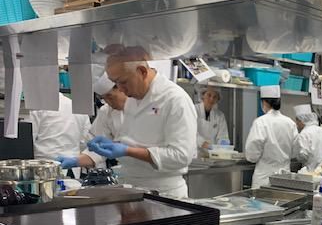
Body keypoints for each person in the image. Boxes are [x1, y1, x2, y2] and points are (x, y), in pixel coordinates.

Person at [87, 46, 197, 197]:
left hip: (164, 192)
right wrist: (113, 144)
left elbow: (181, 156)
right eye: (115, 83)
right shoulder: (133, 99)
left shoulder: (175, 99)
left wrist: (127, 150)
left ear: (142, 71)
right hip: (131, 187)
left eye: (123, 82)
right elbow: (134, 139)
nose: (120, 89)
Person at [57, 73, 127, 170]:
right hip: (127, 170)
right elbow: (97, 150)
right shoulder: (106, 111)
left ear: (122, 88)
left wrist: (128, 150)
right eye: (104, 98)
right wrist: (76, 161)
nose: (108, 102)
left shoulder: (143, 108)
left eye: (110, 97)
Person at [245, 85, 298, 188]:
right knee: (282, 198)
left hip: (264, 177)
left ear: (264, 102)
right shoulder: (290, 123)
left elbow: (252, 154)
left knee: (262, 198)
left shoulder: (261, 122)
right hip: (284, 177)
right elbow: (295, 151)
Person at [30, 93, 91, 174]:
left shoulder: (38, 107)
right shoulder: (78, 107)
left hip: (44, 168)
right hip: (73, 167)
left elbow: (29, 140)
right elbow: (87, 141)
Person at [292, 104, 322, 171]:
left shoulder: (304, 134)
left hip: (310, 171)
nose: (297, 124)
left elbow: (303, 156)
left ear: (301, 120)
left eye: (297, 121)